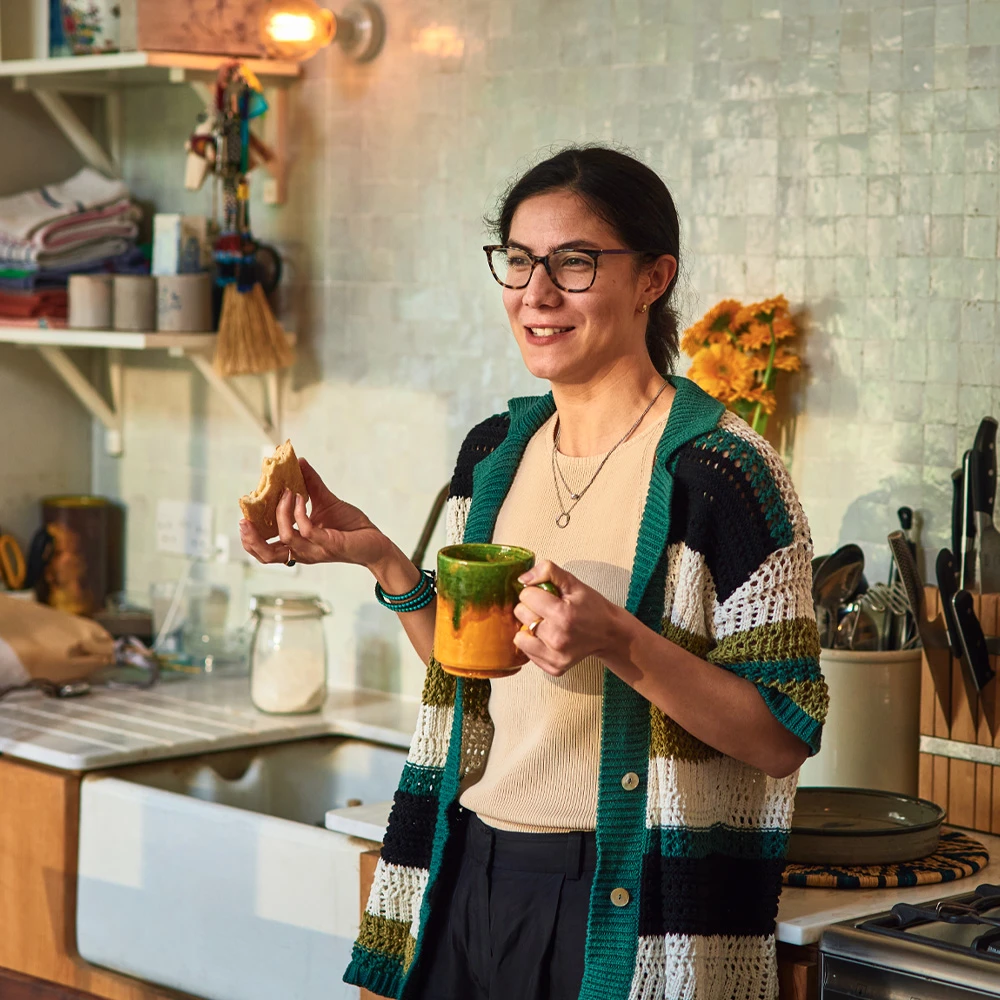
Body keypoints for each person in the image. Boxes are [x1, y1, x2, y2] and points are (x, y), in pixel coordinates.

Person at [239, 145, 827, 1000]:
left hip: (620, 893)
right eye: (517, 262)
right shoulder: (494, 452)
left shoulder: (726, 475)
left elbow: (780, 735)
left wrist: (620, 641)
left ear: (652, 278)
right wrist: (383, 558)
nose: (536, 295)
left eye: (574, 263)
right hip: (465, 863)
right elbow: (469, 671)